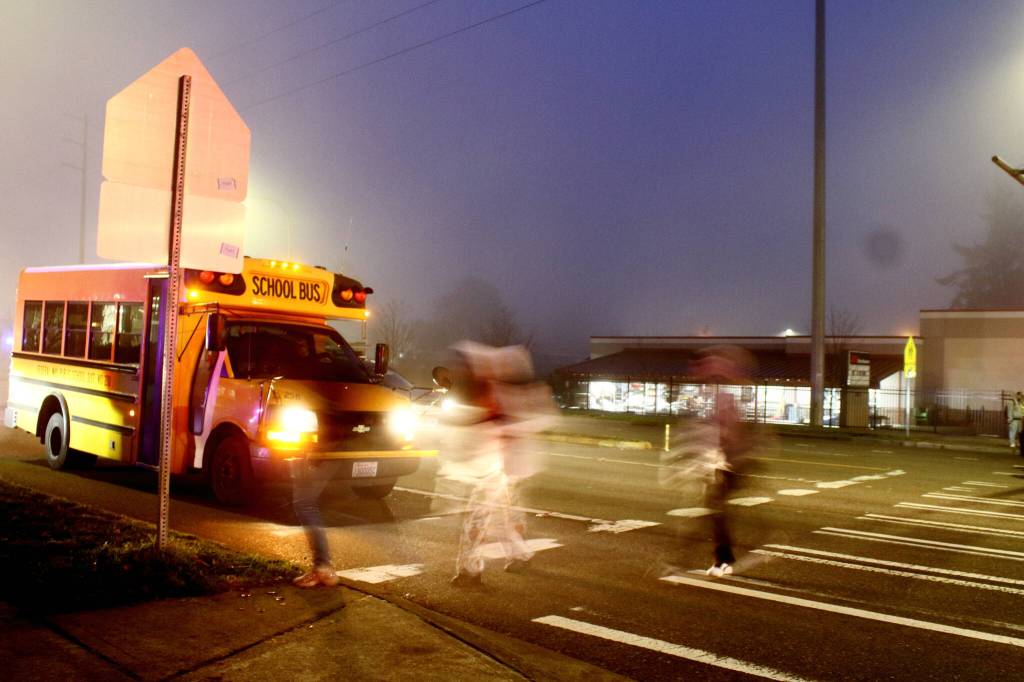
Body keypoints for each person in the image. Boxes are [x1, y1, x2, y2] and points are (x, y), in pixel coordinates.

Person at [439, 341, 555, 586]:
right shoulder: (514, 390)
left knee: (478, 516)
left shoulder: (494, 391)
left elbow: (484, 423)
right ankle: (520, 555)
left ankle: (471, 570)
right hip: (508, 465)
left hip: (495, 466)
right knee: (511, 511)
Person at [691, 346, 757, 578]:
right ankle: (722, 557)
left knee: (716, 511)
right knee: (716, 510)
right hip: (730, 462)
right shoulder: (719, 396)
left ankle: (723, 559)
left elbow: (728, 433)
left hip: (730, 464)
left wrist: (724, 459)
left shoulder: (723, 398)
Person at [290, 457, 344, 587]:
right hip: (327, 450)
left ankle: (322, 567)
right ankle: (322, 566)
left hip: (321, 452)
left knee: (304, 503)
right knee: (305, 502)